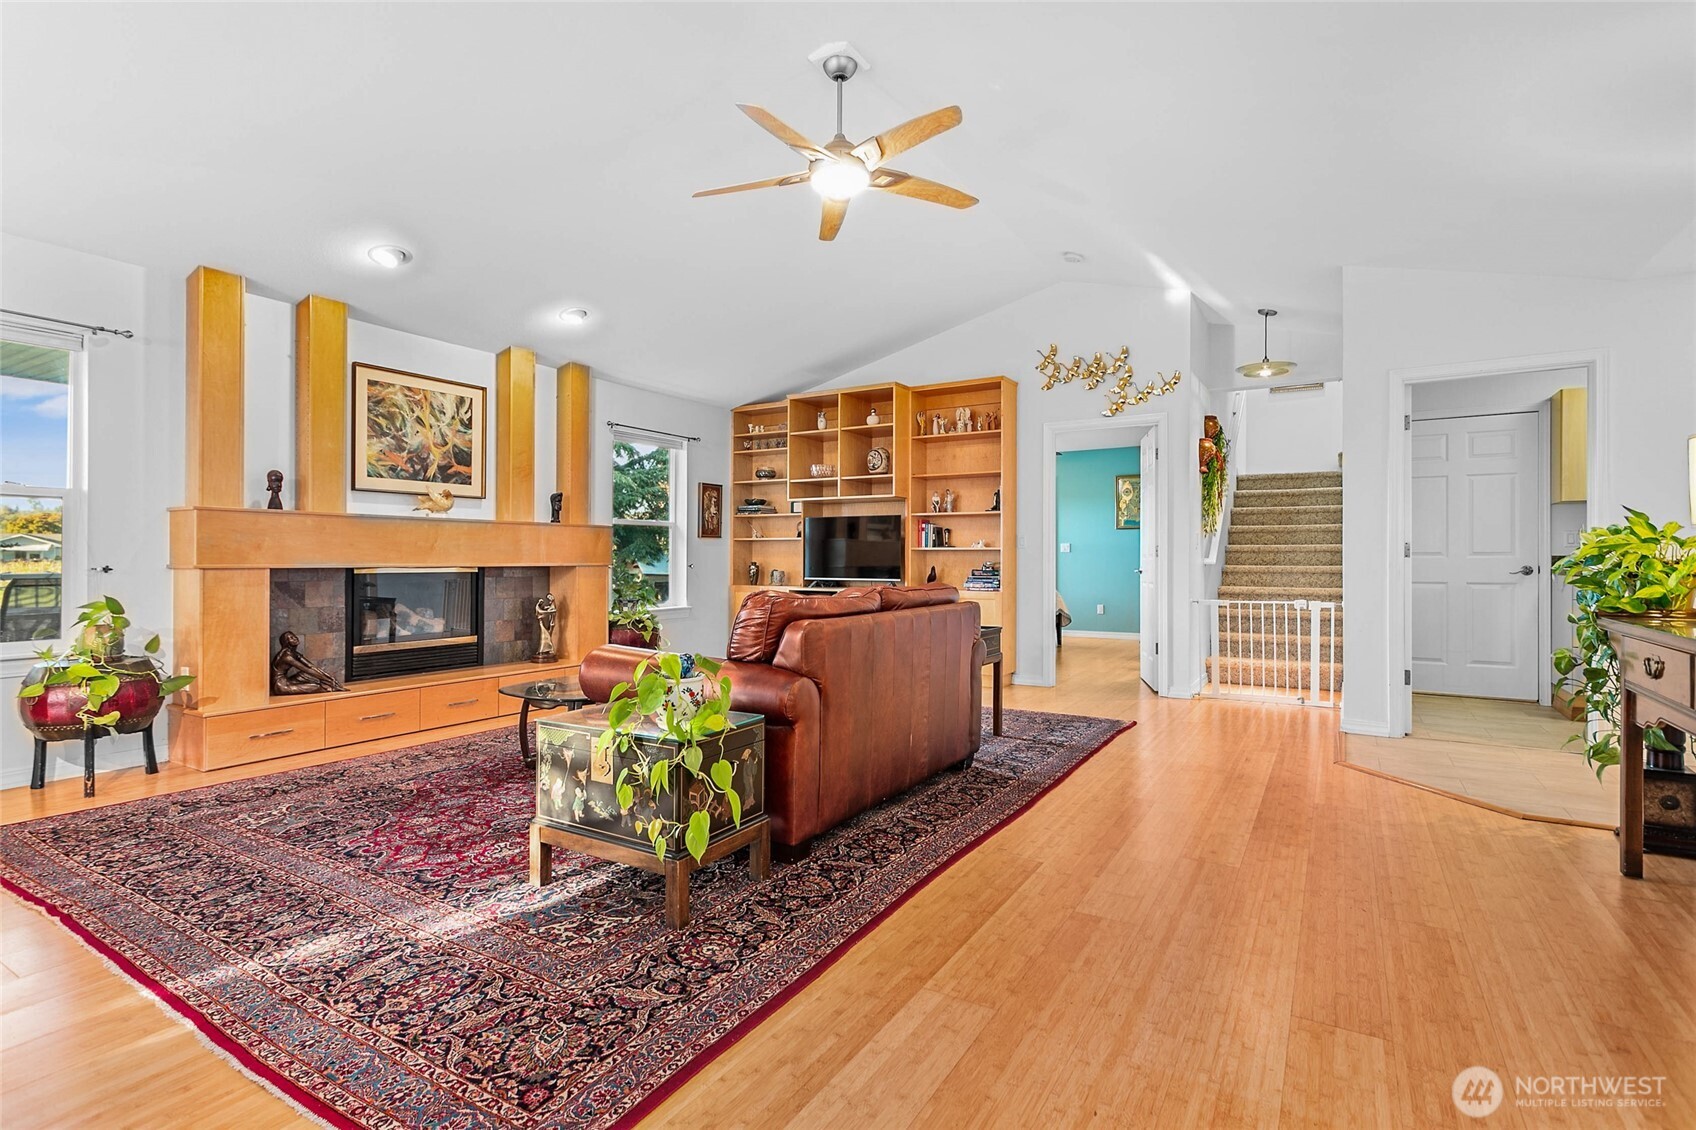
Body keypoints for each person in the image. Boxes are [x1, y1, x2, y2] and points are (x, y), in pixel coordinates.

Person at [270, 631, 345, 694]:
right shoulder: (286, 657)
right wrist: (329, 680)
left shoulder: (293, 653)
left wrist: (330, 678)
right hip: (280, 686)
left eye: (294, 636)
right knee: (316, 686)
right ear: (286, 642)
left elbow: (311, 666)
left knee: (306, 675)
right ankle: (330, 688)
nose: (295, 638)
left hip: (287, 680)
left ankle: (330, 685)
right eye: (291, 638)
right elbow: (306, 669)